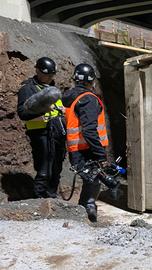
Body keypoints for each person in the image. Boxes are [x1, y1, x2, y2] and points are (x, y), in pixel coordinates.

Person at [62, 63, 109, 222]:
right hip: (87, 149)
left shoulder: (69, 97)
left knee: (91, 180)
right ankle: (86, 212)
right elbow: (89, 130)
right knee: (93, 180)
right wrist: (100, 154)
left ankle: (84, 210)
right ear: (91, 81)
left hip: (75, 148)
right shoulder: (88, 99)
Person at [16, 57, 66, 198]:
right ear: (37, 70)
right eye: (47, 75)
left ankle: (52, 197)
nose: (49, 78)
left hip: (56, 133)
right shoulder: (28, 89)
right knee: (44, 168)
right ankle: (39, 199)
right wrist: (43, 111)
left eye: (52, 75)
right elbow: (23, 113)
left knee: (56, 168)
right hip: (40, 133)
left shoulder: (52, 89)